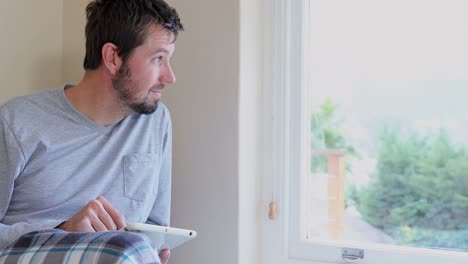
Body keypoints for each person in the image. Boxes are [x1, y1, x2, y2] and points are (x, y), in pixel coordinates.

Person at [0, 0, 183, 263]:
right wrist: (61, 231)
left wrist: (154, 249)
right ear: (113, 57)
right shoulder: (16, 122)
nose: (170, 77)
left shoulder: (156, 122)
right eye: (158, 59)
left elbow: (155, 226)